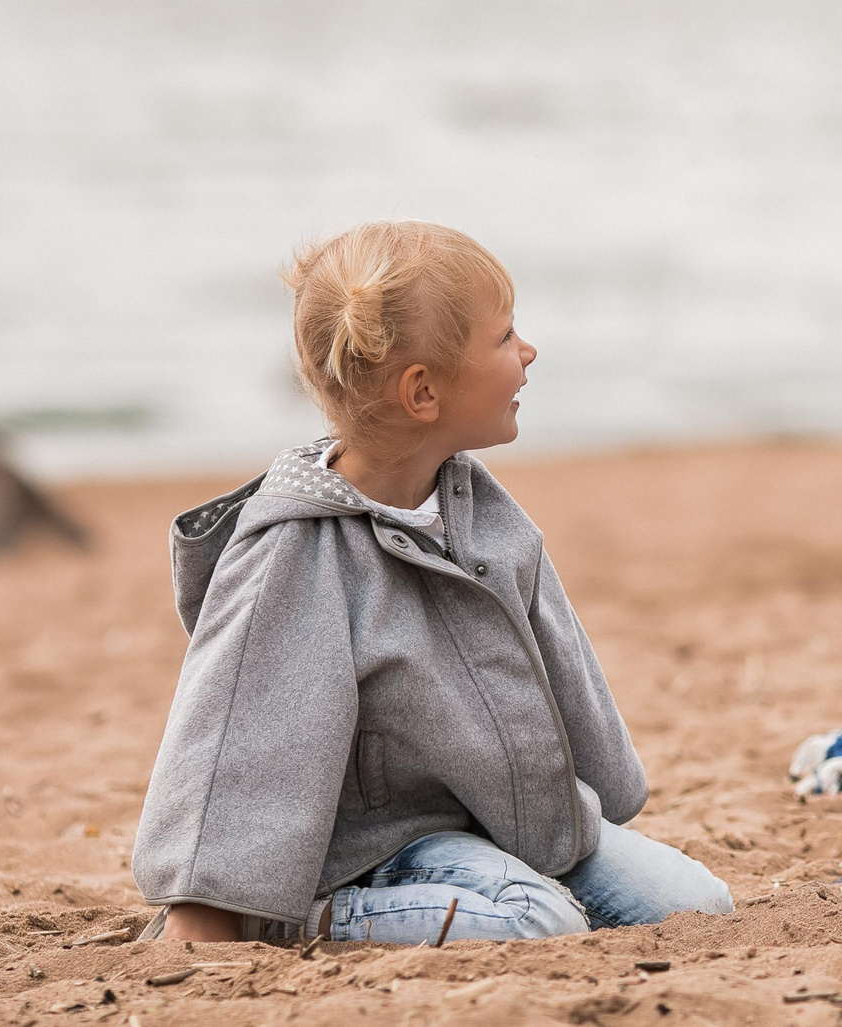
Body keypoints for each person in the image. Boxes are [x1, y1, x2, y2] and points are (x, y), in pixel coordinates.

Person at [131, 220, 733, 944]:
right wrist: (211, 904)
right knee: (537, 921)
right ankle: (297, 922)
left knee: (701, 905)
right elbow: (235, 731)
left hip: (501, 814)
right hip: (370, 850)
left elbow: (558, 659)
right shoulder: (296, 550)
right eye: (506, 338)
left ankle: (515, 878)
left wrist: (597, 791)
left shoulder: (477, 508)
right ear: (423, 392)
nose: (529, 352)